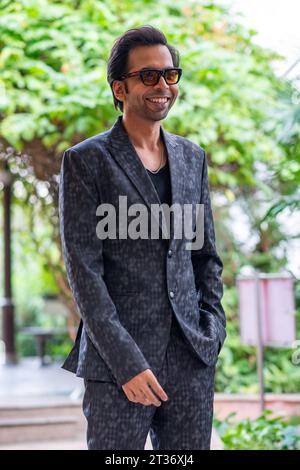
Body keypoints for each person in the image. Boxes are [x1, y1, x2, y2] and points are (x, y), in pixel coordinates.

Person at [59, 25, 226, 450]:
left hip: (190, 357)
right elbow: (85, 275)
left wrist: (212, 332)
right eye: (148, 76)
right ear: (120, 87)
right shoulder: (86, 161)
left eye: (170, 75)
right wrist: (126, 363)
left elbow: (205, 257)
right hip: (119, 367)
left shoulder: (192, 159)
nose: (163, 86)